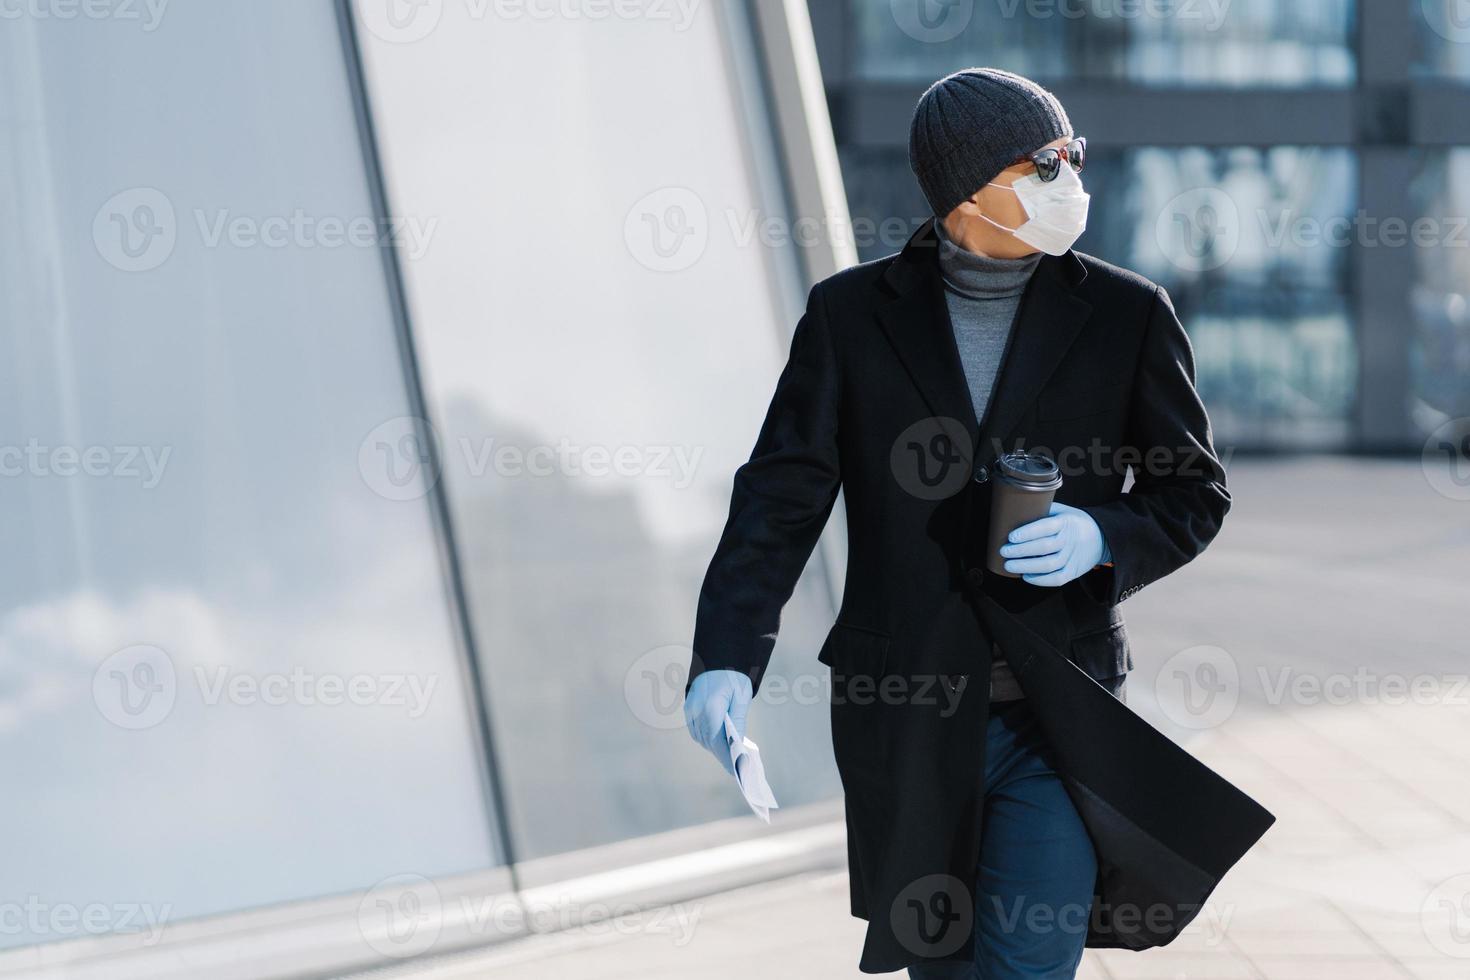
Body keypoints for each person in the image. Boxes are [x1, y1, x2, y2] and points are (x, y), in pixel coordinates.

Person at [683, 67, 1231, 978]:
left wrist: (1103, 539)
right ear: (967, 186)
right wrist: (725, 661)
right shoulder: (849, 317)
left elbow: (1193, 494)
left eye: (1074, 155)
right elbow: (779, 501)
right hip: (908, 719)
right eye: (1045, 162)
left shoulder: (1128, 315)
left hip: (1058, 718)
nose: (1071, 179)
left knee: (1027, 964)